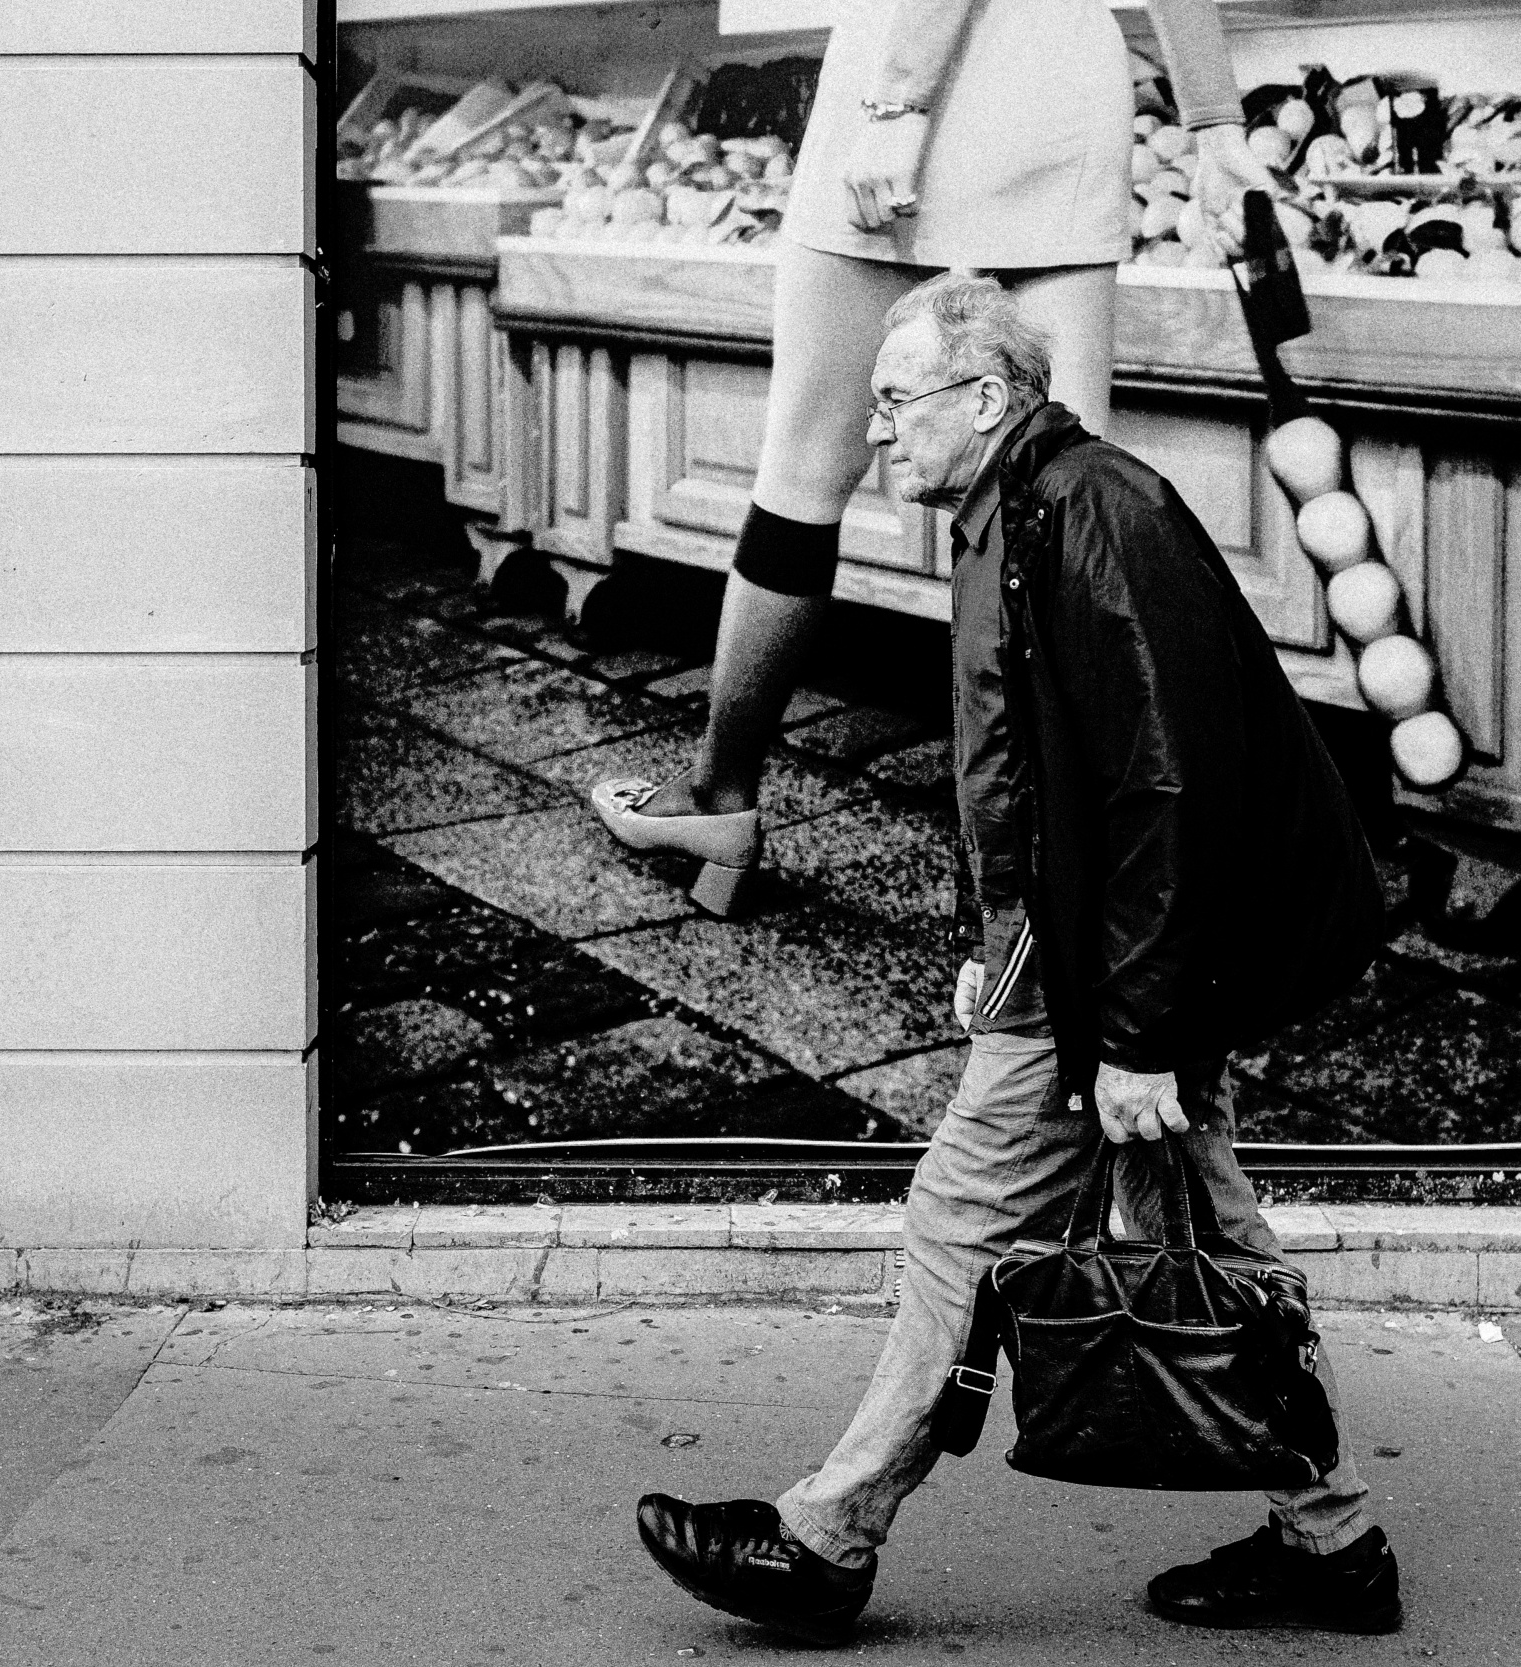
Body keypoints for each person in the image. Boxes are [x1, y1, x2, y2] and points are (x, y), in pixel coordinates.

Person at [634, 275, 1397, 1645]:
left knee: (966, 1214)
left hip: (1126, 968)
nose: (876, 431)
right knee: (1209, 1233)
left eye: (897, 402)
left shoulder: (1091, 511)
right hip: (1093, 953)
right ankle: (1332, 1539)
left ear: (985, 398)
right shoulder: (1010, 511)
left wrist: (1140, 1035)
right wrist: (994, 946)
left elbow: (1165, 785)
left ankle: (827, 1534)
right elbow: (1023, 768)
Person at [590, 0, 1280, 917]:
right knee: (1054, 503)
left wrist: (897, 104)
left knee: (802, 474)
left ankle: (720, 798)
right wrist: (1216, 124)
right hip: (1062, 94)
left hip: (914, 89)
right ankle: (1048, 905)